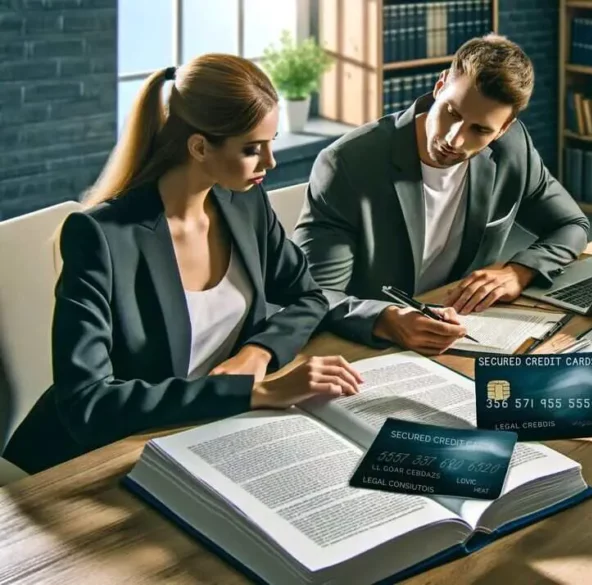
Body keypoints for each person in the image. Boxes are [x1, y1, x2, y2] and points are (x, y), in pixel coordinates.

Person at [3, 55, 364, 475]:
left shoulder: (245, 201)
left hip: (202, 433)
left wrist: (257, 352)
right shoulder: (99, 236)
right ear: (198, 147)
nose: (270, 162)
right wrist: (248, 392)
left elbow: (308, 294)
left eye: (271, 142)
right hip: (83, 463)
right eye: (252, 149)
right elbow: (88, 402)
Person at [291, 34, 590, 355]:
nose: (454, 139)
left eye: (480, 130)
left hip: (462, 332)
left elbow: (572, 225)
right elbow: (315, 294)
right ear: (440, 85)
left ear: (504, 129)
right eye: (452, 112)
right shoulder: (349, 164)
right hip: (365, 345)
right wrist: (387, 319)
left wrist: (520, 271)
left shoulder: (513, 149)